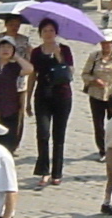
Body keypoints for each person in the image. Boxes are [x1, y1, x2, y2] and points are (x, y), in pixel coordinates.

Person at [29, 19, 77, 185]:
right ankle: (44, 171)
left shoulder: (65, 49)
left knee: (59, 135)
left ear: (56, 33)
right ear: (40, 34)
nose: (48, 33)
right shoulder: (36, 52)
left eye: (51, 30)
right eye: (45, 31)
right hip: (42, 95)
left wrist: (58, 55)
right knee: (43, 133)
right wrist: (27, 99)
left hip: (62, 95)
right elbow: (32, 76)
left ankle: (57, 172)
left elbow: (70, 73)